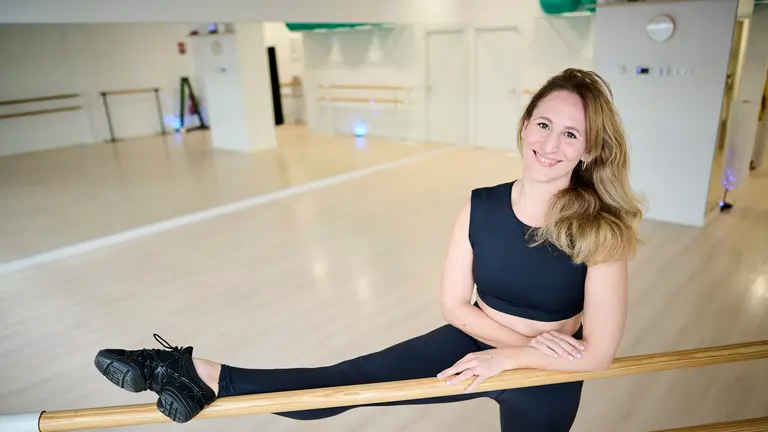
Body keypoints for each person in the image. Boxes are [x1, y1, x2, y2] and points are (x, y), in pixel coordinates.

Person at [93, 68, 643, 431]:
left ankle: (196, 376)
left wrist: (517, 358)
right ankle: (198, 374)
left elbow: (596, 353)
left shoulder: (604, 230)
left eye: (571, 134)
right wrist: (523, 343)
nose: (550, 143)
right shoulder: (480, 205)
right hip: (472, 338)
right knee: (337, 386)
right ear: (524, 125)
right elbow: (454, 307)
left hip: (546, 375)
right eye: (543, 124)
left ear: (590, 148)